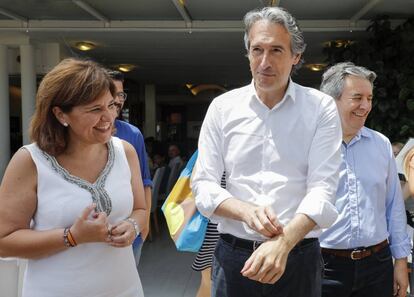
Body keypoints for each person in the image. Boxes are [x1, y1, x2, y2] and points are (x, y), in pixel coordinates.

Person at [191, 6, 342, 297]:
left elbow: (324, 189)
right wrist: (245, 211)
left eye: (276, 50)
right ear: (248, 53)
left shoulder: (320, 108)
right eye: (257, 49)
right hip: (234, 255)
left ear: (295, 57)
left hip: (298, 255)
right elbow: (203, 185)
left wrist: (283, 243)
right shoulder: (223, 108)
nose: (264, 62)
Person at [0, 58, 146, 297]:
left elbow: (140, 209)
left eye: (111, 105)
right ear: (60, 114)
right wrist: (72, 237)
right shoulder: (31, 161)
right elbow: (4, 242)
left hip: (125, 289)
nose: (109, 117)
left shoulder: (125, 152)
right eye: (95, 109)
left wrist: (133, 225)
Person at [319, 62, 411, 297]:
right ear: (331, 101)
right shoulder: (310, 145)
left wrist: (400, 261)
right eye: (357, 97)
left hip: (377, 266)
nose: (366, 106)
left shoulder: (380, 144)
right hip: (324, 268)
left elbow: (394, 207)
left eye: (369, 98)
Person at [108, 70, 152, 266]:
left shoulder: (132, 134)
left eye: (121, 94)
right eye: (113, 94)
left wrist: (144, 225)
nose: (118, 100)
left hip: (130, 229)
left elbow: (145, 182)